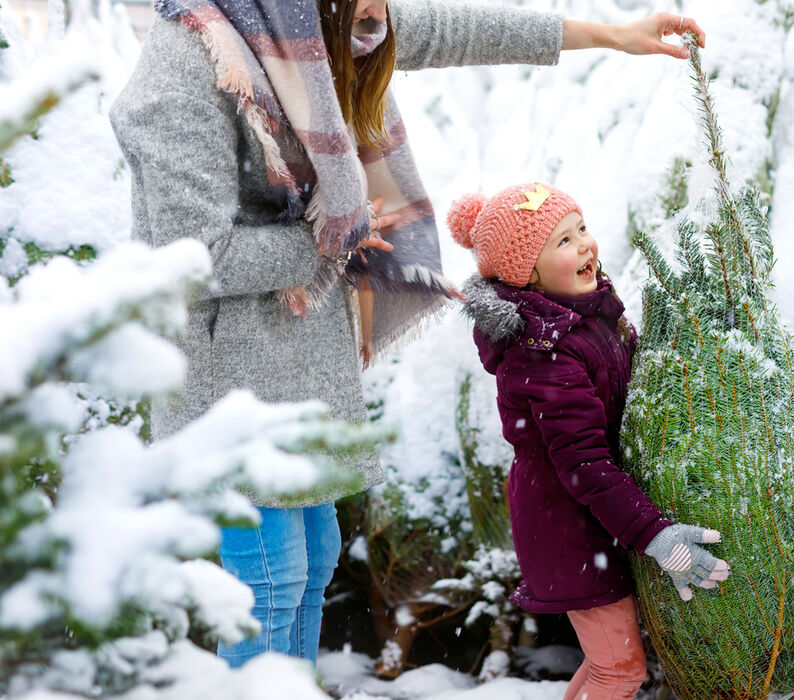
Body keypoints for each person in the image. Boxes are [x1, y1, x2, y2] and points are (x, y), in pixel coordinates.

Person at [110, 0, 707, 669]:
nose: (380, 10)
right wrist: (334, 239)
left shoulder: (322, 25)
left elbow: (449, 30)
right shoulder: (191, 59)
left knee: (312, 563)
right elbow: (188, 255)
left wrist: (613, 35)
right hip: (229, 370)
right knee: (271, 578)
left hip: (301, 349)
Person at [453, 183, 731, 700]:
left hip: (597, 520)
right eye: (563, 240)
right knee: (619, 670)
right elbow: (583, 461)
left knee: (612, 665)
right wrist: (655, 536)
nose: (585, 244)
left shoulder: (587, 314)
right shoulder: (542, 352)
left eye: (581, 228)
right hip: (569, 528)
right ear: (527, 275)